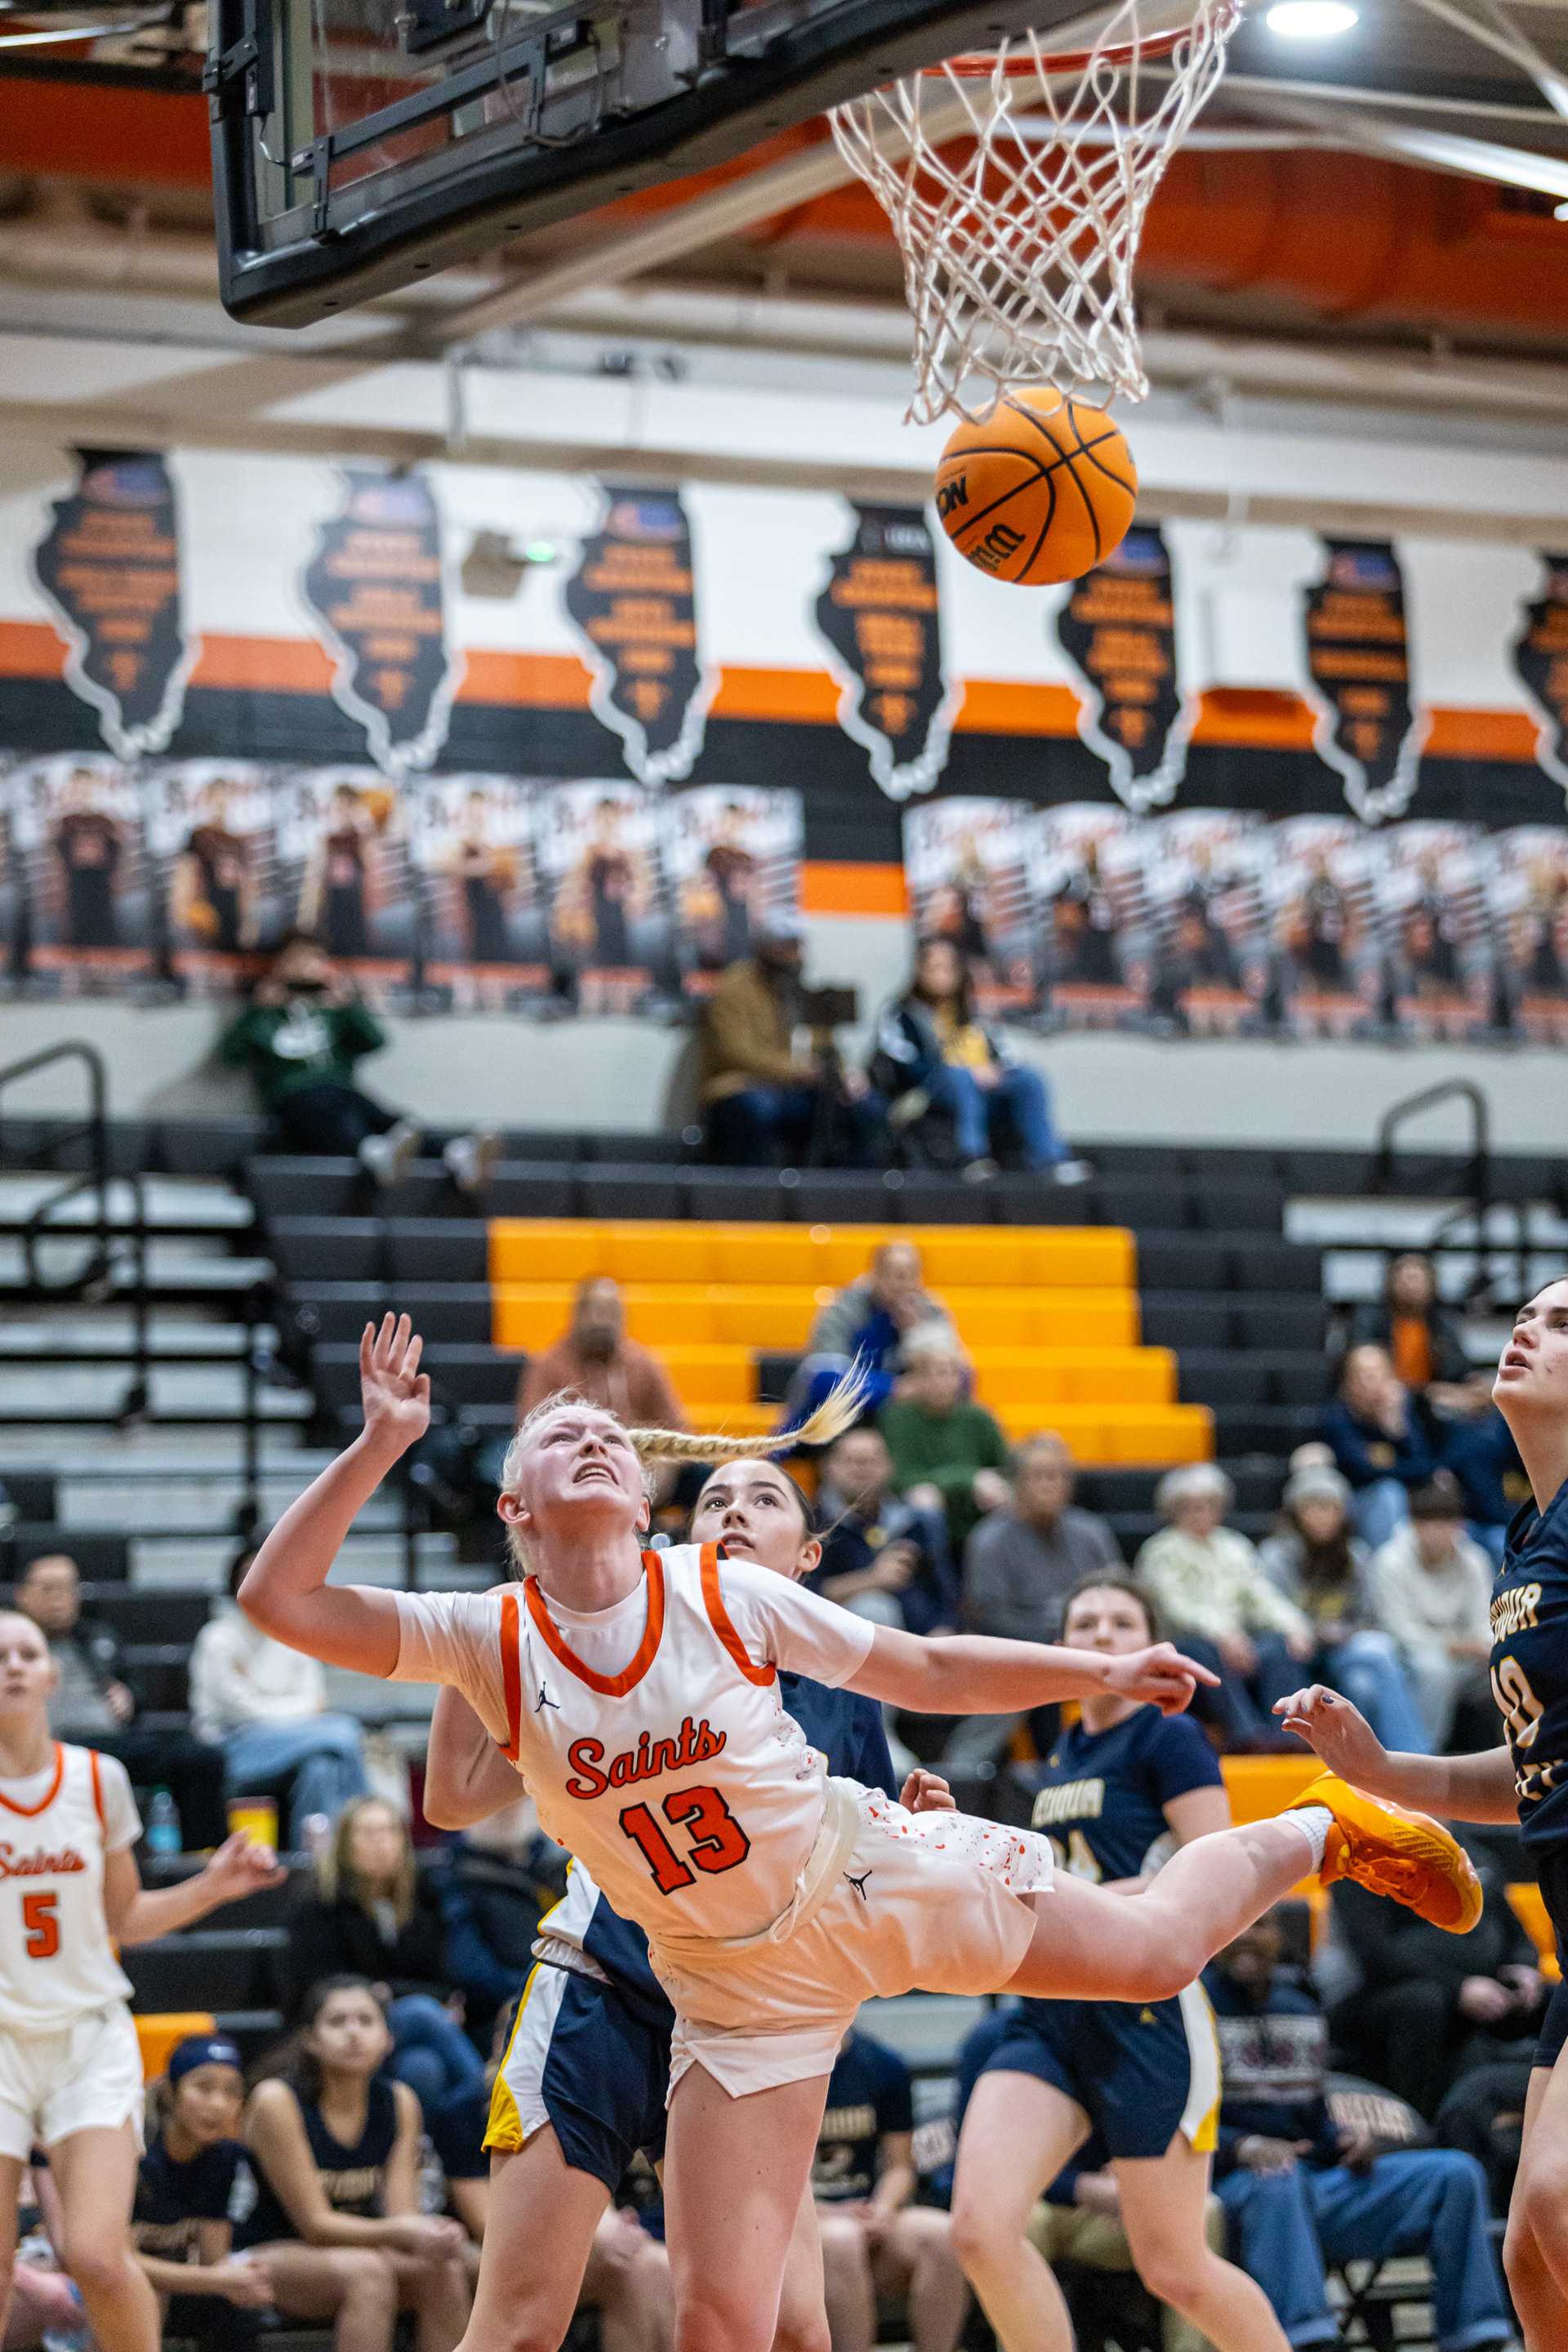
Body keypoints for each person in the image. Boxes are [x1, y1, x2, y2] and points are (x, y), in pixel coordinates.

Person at [235, 1314, 1481, 2352]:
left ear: (646, 1490)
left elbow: (926, 1667)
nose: (596, 1438)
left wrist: (1091, 1667)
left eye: (612, 1432)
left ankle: (1321, 1827)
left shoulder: (720, 1586)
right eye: (563, 1433)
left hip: (859, 1877)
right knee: (722, 2323)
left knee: (1156, 1955)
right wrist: (382, 1441)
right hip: (728, 1986)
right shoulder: (484, 1635)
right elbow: (278, 1598)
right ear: (516, 1500)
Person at [418, 1447, 938, 2352]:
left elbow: (858, 1889)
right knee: (520, 2327)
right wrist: (495, 1627)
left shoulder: (845, 1691)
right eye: (714, 1500)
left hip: (743, 2022)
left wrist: (920, 1840)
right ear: (678, 1540)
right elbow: (451, 1798)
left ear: (808, 1555)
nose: (733, 1512)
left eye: (764, 1499)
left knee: (792, 2330)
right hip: (607, 1992)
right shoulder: (611, 1636)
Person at [1273, 1273, 1568, 2349]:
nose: (1530, 1328)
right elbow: (1534, 1766)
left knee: (1557, 2205)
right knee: (1529, 2253)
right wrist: (1382, 1769)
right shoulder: (1528, 1535)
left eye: (1565, 1323)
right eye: (1527, 1314)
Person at [950, 1575, 1290, 2352]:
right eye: (1085, 1623)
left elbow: (1222, 1876)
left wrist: (1082, 1901)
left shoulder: (1168, 1737)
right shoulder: (1063, 1750)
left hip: (1146, 2011)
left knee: (1174, 2267)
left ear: (1151, 1645)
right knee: (978, 2230)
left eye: (1121, 1622)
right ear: (1062, 1645)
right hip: (1050, 2014)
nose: (1102, 1634)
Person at [0, 1607, 281, 2352]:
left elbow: (125, 1918)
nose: (14, 1666)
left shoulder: (98, 1780)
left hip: (87, 2034)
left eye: (27, 1653)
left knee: (95, 2254)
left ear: (53, 1676)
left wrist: (214, 1886)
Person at [1204, 1914, 1512, 2352]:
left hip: (1312, 2185)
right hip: (1234, 2187)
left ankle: (1477, 2336)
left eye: (1260, 1926)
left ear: (1280, 1937)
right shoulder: (1192, 2010)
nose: (1245, 1937)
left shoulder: (1301, 2008)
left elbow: (1313, 2119)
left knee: (1454, 2175)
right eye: (1234, 1926)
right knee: (1279, 2181)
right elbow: (1171, 2120)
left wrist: (1344, 2140)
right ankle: (1309, 2341)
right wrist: (1244, 2147)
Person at [236, 1975, 473, 2350]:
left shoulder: (400, 2100)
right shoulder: (276, 2100)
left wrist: (431, 2233)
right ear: (310, 2040)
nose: (353, 2033)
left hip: (361, 2248)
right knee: (368, 2274)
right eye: (337, 2022)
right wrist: (406, 2231)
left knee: (442, 2268)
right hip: (274, 2249)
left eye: (366, 2021)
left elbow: (401, 2214)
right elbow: (315, 2226)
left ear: (388, 2039)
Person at [217, 931, 495, 1190]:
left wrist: (349, 1005)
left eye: (312, 960)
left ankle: (455, 1153)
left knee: (386, 1118)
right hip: (292, 1095)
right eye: (295, 960)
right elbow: (230, 1056)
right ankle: (373, 1152)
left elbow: (375, 1042)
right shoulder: (266, 1012)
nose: (303, 968)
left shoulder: (334, 1009)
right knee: (331, 1115)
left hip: (341, 1089)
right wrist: (259, 1010)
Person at [282, 1799, 486, 2118]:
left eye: (390, 1831)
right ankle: (490, 2092)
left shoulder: (423, 1897)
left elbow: (445, 1972)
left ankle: (425, 2143)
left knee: (423, 2068)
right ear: (345, 1843)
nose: (381, 1842)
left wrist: (398, 1993)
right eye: (368, 1832)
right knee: (421, 2011)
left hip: (405, 2029)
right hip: (344, 2024)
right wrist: (389, 1997)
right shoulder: (319, 1903)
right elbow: (319, 1983)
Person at [15, 1553, 229, 1851]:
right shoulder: (14, 1644)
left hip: (111, 1742)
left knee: (200, 1759)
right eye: (48, 1589)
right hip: (50, 1745)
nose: (59, 1599)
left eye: (67, 1589)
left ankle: (203, 1858)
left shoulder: (97, 1638)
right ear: (22, 1595)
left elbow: (136, 1698)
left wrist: (128, 1697)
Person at [1327, 1833, 1546, 2122]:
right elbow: (1376, 1954)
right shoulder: (1366, 1861)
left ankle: (1550, 2118)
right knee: (1422, 2003)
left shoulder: (1474, 1855)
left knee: (1556, 1998)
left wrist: (1524, 1967)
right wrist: (1458, 1989)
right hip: (1385, 1994)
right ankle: (1419, 2124)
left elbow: (1516, 1933)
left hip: (1484, 1987)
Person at [189, 1548, 369, 1851]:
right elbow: (237, 1710)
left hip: (297, 1740)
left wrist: (287, 1712)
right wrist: (301, 1713)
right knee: (344, 1732)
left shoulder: (294, 1633)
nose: (259, 1583)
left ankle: (316, 1863)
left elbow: (313, 1696)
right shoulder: (217, 1638)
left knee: (322, 1768)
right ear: (234, 1585)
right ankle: (362, 1840)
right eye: (249, 1576)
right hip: (231, 1745)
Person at [873, 937, 1089, 1184]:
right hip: (927, 1093)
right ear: (919, 971)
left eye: (948, 968)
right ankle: (972, 1157)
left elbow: (1006, 1055)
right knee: (959, 1076)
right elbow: (902, 1064)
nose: (941, 975)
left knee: (1030, 1078)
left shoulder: (972, 1012)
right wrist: (961, 1070)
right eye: (934, 967)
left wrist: (994, 1071)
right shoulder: (901, 1013)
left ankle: (1050, 1160)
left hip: (980, 1089)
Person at [1134, 1468, 1315, 1750]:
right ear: (1174, 1509)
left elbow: (1261, 1595)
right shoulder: (1160, 1551)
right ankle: (1245, 1736)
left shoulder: (1235, 1546)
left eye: (1208, 1504)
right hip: (1188, 1644)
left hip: (1238, 1642)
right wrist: (1224, 1633)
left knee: (1281, 1646)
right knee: (1203, 1652)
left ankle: (1288, 1734)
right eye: (1190, 1506)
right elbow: (1176, 1608)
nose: (1200, 1512)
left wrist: (1293, 1625)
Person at [813, 2027, 968, 2352]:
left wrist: (882, 2209)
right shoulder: (776, 2067)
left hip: (865, 2212)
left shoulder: (881, 2064)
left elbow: (901, 2167)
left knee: (944, 2235)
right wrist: (832, 2213)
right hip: (803, 2220)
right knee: (842, 2239)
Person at [1256, 1467, 1430, 1754]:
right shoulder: (1275, 1556)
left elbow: (1373, 1618)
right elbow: (1265, 1612)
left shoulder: (1356, 1555)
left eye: (1330, 1507)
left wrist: (1344, 1632)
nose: (1322, 1516)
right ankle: (1415, 1756)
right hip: (1296, 1654)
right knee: (1376, 1658)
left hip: (1343, 1650)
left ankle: (1386, 1760)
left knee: (1365, 1680)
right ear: (1296, 1512)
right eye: (1312, 1507)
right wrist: (1312, 1630)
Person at [698, 917, 884, 1169]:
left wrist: (844, 1074)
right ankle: (755, 1190)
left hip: (797, 1089)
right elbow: (734, 1051)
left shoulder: (802, 988)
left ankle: (850, 1189)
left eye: (796, 946)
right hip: (740, 1084)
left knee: (864, 1108)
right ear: (764, 947)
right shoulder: (734, 986)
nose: (793, 954)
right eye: (784, 945)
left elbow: (825, 1047)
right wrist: (796, 1070)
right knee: (759, 1108)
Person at [131, 2034, 274, 2345]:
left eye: (231, 2092)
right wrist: (216, 2280)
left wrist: (241, 2281)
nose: (219, 2104)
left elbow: (213, 2258)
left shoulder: (227, 2158)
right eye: (204, 2088)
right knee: (142, 2296)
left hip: (174, 2283)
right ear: (171, 2093)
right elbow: (116, 2261)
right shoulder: (134, 2155)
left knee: (232, 2309)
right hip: (99, 2281)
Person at [430, 1795, 568, 2047]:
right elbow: (470, 1969)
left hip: (565, 1998)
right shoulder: (456, 1878)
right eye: (492, 1801)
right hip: (500, 2015)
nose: (507, 1809)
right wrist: (541, 1988)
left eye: (514, 1799)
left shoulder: (559, 1869)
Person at [1369, 1485, 1496, 1751]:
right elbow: (1400, 1630)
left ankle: (1509, 1755)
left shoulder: (1474, 1559)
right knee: (1435, 1670)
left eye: (1446, 1524)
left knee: (1506, 1665)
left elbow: (1485, 1619)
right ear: (1413, 1525)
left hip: (1465, 1654)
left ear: (1460, 1526)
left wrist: (1486, 1645)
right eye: (1428, 1524)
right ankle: (1425, 1756)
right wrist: (1459, 1646)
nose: (1437, 1533)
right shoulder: (1390, 1561)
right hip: (1408, 1655)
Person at [963, 1435, 1121, 1648]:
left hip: (1090, 1643)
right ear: (1016, 1483)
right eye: (1039, 1476)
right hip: (1020, 1651)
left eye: (1059, 1476)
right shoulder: (990, 1540)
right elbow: (991, 1618)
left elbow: (1118, 1593)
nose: (1050, 1486)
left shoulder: (1092, 1531)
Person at [808, 1428, 957, 1637]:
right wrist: (872, 1578)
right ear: (828, 1466)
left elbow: (941, 1590)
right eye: (852, 1461)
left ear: (889, 1466)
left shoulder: (912, 1522)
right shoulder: (811, 1525)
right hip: (840, 1639)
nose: (862, 1469)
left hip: (918, 1638)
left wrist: (943, 1628)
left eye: (872, 1461)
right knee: (873, 1608)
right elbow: (803, 1595)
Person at [784, 1242, 949, 1428]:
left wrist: (918, 1335)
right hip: (840, 1420)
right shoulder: (844, 1310)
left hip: (903, 1422)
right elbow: (826, 1378)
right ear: (875, 1275)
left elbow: (956, 1377)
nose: (906, 1285)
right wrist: (894, 1390)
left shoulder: (930, 1312)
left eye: (913, 1275)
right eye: (898, 1275)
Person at [879, 1329, 1012, 1555]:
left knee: (1003, 1495)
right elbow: (898, 1478)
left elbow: (1006, 1469)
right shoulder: (897, 1418)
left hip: (975, 1505)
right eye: (938, 1372)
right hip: (915, 1509)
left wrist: (992, 1486)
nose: (946, 1380)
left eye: (953, 1371)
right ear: (916, 1377)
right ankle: (939, 1574)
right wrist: (966, 1479)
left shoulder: (979, 1417)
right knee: (924, 1500)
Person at [514, 1278, 688, 1433]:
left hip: (636, 1455)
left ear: (622, 1316)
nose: (600, 1321)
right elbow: (531, 1432)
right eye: (593, 1311)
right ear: (576, 1314)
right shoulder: (549, 1366)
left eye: (609, 1312)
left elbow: (678, 1430)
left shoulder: (642, 1365)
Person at [1317, 1345, 1437, 1552]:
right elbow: (1361, 1471)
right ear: (1346, 1383)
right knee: (1388, 1494)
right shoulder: (1336, 1419)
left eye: (1375, 1375)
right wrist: (1401, 1469)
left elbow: (1425, 1470)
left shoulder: (1400, 1415)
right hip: (1349, 1504)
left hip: (1401, 1505)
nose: (1368, 1383)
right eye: (1360, 1376)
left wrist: (1398, 1433)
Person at [1349, 1254, 1486, 1419]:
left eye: (1416, 1279)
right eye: (1404, 1279)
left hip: (1435, 1402)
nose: (1410, 1285)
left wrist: (1475, 1386)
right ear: (1390, 1283)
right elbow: (1357, 1366)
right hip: (1385, 1399)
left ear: (1431, 1285)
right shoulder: (1371, 1320)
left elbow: (1461, 1369)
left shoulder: (1442, 1323)